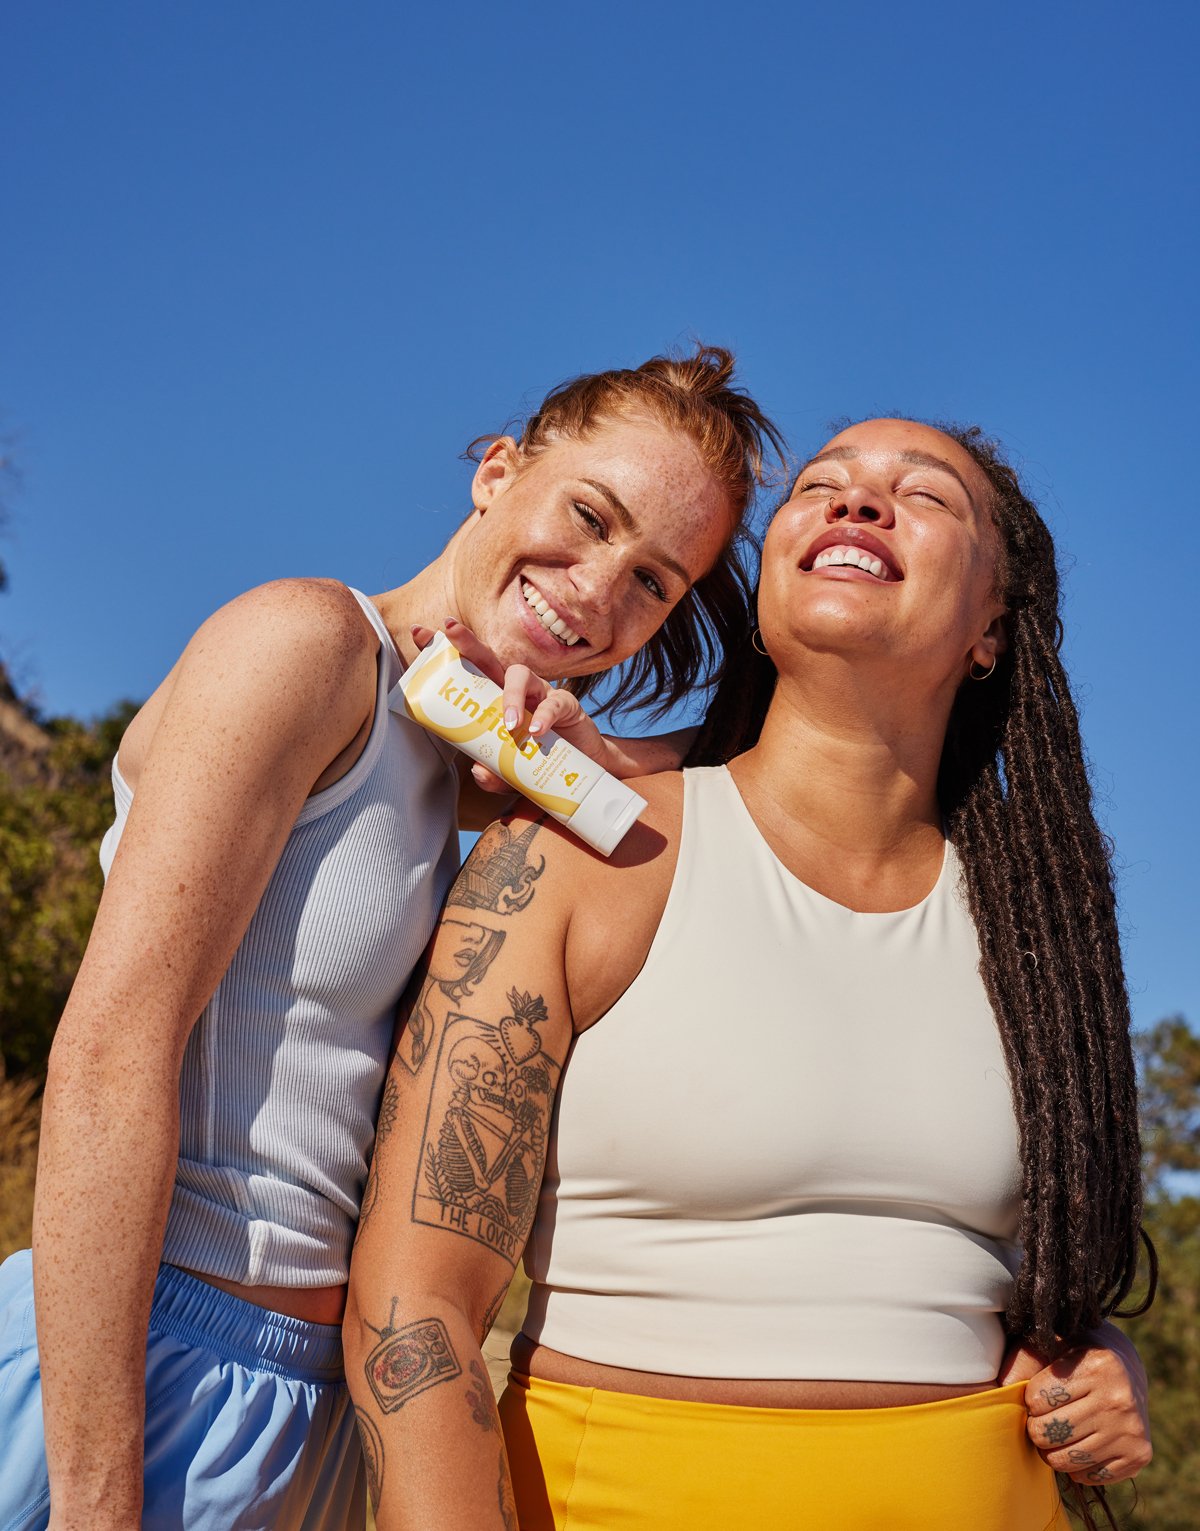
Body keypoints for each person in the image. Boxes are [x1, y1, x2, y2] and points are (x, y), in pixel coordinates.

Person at [0, 346, 787, 1531]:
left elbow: (782, 762)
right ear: (497, 471)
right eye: (587, 516)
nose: (596, 591)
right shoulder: (305, 646)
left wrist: (595, 760)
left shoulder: (466, 770)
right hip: (131, 1371)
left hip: (306, 1421)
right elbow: (109, 1056)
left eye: (651, 584)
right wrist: (96, 1498)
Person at [345, 416, 1154, 1530]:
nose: (858, 502)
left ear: (991, 629)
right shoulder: (579, 858)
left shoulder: (1042, 939)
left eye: (924, 496)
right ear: (766, 597)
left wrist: (1097, 1359)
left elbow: (1029, 1271)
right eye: (822, 485)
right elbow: (414, 1303)